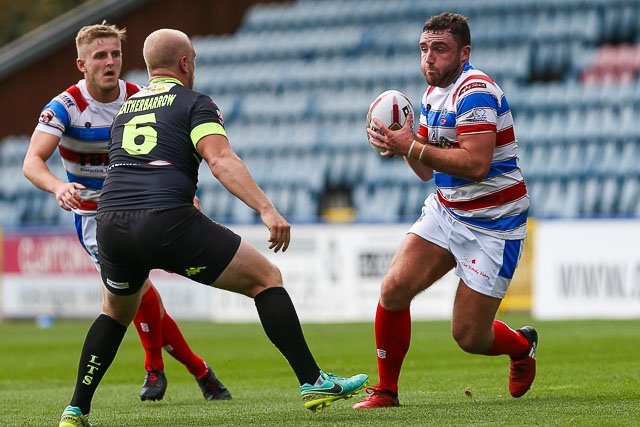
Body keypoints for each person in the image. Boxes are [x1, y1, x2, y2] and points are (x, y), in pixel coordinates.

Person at [56, 28, 368, 426]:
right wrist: (267, 210)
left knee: (114, 313)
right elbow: (219, 159)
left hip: (111, 224)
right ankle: (313, 381)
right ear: (186, 64)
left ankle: (76, 409)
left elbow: (137, 165)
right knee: (266, 278)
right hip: (165, 219)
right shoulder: (194, 102)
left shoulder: (124, 110)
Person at [23, 22, 231, 404]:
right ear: (81, 64)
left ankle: (178, 371)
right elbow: (32, 161)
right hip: (96, 220)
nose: (110, 62)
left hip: (152, 208)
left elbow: (176, 152)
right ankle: (187, 370)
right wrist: (58, 186)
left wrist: (185, 195)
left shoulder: (139, 98)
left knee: (135, 295)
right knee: (139, 292)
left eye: (116, 53)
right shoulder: (65, 106)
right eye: (100, 56)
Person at [353, 12, 536, 409]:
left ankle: (522, 347)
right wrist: (395, 143)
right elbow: (423, 168)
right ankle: (386, 391)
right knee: (392, 289)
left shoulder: (475, 91)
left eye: (439, 49)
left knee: (469, 337)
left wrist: (411, 147)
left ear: (463, 53)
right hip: (447, 211)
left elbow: (476, 164)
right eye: (424, 49)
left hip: (494, 225)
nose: (428, 58)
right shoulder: (431, 94)